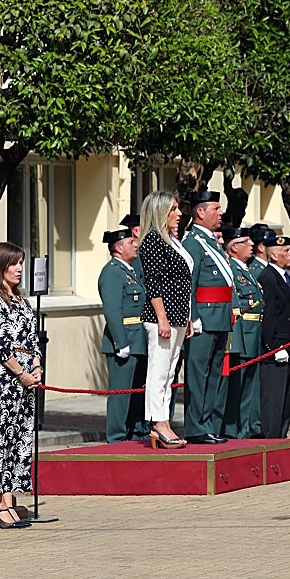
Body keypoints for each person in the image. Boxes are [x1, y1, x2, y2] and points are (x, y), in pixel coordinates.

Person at [137, 191, 192, 449]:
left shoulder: (171, 241)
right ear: (160, 212)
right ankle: (157, 422)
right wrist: (162, 318)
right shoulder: (152, 242)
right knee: (158, 371)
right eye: (173, 209)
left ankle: (165, 420)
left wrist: (187, 316)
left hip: (178, 315)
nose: (179, 214)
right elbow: (154, 284)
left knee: (170, 372)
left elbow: (183, 282)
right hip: (163, 317)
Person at [182, 189, 233, 445]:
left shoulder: (211, 241)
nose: (220, 212)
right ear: (201, 212)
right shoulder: (193, 242)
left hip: (220, 315)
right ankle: (195, 427)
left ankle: (207, 423)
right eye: (216, 208)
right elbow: (188, 284)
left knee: (213, 374)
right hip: (203, 316)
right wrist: (193, 315)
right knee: (198, 373)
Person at [0, 243, 39, 527]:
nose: (20, 269)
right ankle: (1, 502)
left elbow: (33, 340)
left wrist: (36, 368)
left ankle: (11, 498)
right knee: (2, 440)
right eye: (14, 264)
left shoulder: (22, 301)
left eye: (22, 263)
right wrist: (20, 372)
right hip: (6, 381)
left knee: (20, 441)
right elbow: (0, 344)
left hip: (25, 383)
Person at [98, 227, 148, 443]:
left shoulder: (129, 271)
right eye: (130, 242)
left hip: (138, 339)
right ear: (118, 248)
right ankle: (116, 437)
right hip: (124, 340)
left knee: (137, 391)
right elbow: (112, 310)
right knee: (121, 394)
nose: (135, 245)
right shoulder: (112, 272)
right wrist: (120, 342)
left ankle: (135, 432)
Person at [223, 227, 265, 438]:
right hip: (242, 333)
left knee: (250, 387)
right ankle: (234, 432)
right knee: (237, 387)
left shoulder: (247, 270)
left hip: (253, 333)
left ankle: (245, 429)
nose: (251, 246)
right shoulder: (231, 269)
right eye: (246, 242)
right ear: (234, 247)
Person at [258, 234, 290, 439]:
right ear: (274, 255)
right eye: (286, 251)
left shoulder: (285, 277)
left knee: (286, 399)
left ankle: (281, 439)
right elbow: (268, 316)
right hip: (277, 349)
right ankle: (272, 439)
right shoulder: (268, 278)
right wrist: (274, 347)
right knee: (274, 401)